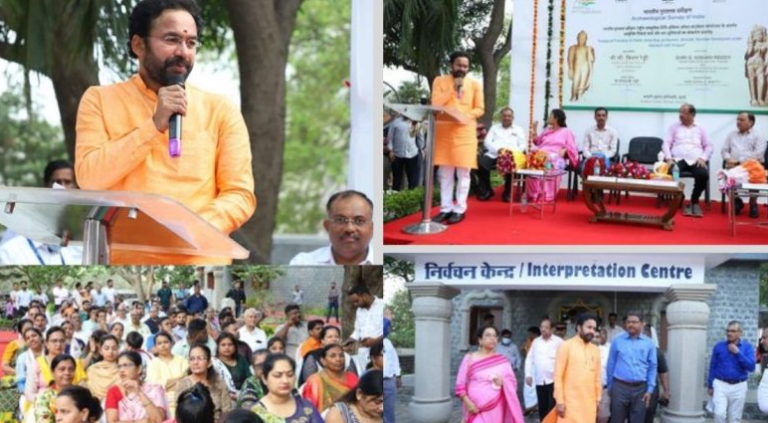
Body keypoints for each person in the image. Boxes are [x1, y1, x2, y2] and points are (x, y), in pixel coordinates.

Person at [74, 0, 256, 265]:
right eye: (172, 39)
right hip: (125, 257)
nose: (182, 51)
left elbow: (240, 194)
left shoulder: (220, 109)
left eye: (191, 43)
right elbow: (90, 178)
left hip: (198, 256)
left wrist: (191, 228)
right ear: (138, 45)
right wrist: (153, 125)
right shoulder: (99, 100)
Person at [429, 51, 485, 225]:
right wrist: (453, 88)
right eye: (459, 65)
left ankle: (460, 209)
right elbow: (436, 103)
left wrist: (464, 115)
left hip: (465, 132)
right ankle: (445, 209)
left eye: (465, 66)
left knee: (463, 173)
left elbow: (480, 108)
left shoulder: (475, 84)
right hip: (445, 132)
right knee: (445, 174)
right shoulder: (439, 81)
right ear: (451, 65)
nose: (462, 69)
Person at [0, 160, 83, 265]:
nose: (62, 188)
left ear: (76, 187)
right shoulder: (22, 222)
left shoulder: (83, 225)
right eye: (57, 182)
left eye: (67, 182)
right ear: (46, 186)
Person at [455, 326, 524, 423]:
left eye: (495, 336)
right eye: (488, 335)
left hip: (495, 408)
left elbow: (512, 382)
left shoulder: (503, 361)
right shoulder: (469, 358)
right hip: (473, 408)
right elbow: (459, 385)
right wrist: (468, 403)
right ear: (480, 340)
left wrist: (503, 382)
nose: (492, 338)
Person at [289, 190, 374, 265]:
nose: (349, 229)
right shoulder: (303, 263)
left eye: (359, 221)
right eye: (340, 220)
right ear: (327, 226)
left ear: (372, 228)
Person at [663, 103, 713, 217]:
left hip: (696, 160)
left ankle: (694, 200)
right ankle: (680, 194)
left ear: (692, 114)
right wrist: (669, 158)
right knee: (672, 172)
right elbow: (666, 143)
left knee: (703, 175)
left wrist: (703, 158)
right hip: (678, 159)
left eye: (683, 113)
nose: (680, 115)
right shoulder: (674, 127)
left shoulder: (701, 128)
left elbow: (709, 146)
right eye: (679, 112)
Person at [606, 311, 657, 423]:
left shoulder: (649, 343)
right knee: (616, 420)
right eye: (628, 322)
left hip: (641, 389)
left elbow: (652, 367)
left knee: (637, 420)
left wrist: (650, 389)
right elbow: (611, 363)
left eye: (634, 322)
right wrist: (611, 386)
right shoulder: (617, 340)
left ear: (642, 324)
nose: (630, 324)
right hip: (620, 386)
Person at [551, 314, 601, 423]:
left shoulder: (595, 350)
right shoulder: (566, 346)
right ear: (578, 327)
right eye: (589, 327)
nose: (592, 331)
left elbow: (597, 377)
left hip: (589, 404)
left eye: (594, 328)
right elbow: (558, 376)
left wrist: (598, 399)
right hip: (570, 404)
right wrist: (560, 401)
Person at [251, 354, 324, 423]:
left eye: (290, 375)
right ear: (264, 379)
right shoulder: (256, 413)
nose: (285, 380)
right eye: (278, 376)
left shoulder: (307, 406)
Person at [707, 321, 755, 423]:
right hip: (720, 384)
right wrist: (710, 385)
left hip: (739, 386)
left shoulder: (747, 347)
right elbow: (713, 366)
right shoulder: (718, 346)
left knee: (734, 418)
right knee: (719, 414)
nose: (729, 333)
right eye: (728, 331)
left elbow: (751, 367)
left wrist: (737, 352)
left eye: (733, 331)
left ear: (740, 333)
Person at [721, 111, 767, 218]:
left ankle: (753, 203)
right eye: (737, 119)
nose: (738, 122)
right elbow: (724, 150)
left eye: (741, 120)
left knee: (756, 175)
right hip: (733, 167)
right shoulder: (731, 135)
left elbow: (758, 154)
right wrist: (728, 159)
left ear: (751, 122)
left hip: (751, 167)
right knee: (723, 176)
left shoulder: (759, 136)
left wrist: (738, 162)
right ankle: (737, 201)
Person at [24, 327, 86, 403]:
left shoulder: (74, 362)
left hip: (71, 404)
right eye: (54, 341)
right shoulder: (37, 363)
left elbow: (83, 389)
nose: (58, 344)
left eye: (62, 341)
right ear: (46, 343)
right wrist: (48, 401)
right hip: (43, 404)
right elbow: (29, 393)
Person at [477, 107, 527, 202]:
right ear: (501, 117)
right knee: (482, 163)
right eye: (504, 116)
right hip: (495, 154)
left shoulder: (518, 129)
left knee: (510, 165)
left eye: (509, 116)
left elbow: (522, 145)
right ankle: (487, 190)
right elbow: (487, 141)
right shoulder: (494, 127)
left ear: (512, 117)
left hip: (511, 156)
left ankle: (507, 193)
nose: (506, 118)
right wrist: (497, 150)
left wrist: (512, 153)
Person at [528, 109, 579, 202]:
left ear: (556, 118)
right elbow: (537, 142)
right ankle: (534, 195)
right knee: (532, 159)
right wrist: (534, 129)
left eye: (550, 115)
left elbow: (573, 148)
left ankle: (546, 195)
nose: (548, 118)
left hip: (555, 158)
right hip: (540, 155)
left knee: (549, 160)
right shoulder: (547, 130)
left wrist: (565, 149)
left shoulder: (566, 131)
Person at [105, 351, 168, 423]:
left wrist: (139, 392)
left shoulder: (154, 389)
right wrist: (144, 421)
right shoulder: (114, 391)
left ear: (139, 369)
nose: (121, 370)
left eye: (126, 365)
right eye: (119, 366)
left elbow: (158, 420)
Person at [175, 345, 232, 422]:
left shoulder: (219, 383)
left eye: (200, 358)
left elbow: (227, 411)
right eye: (192, 359)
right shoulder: (182, 385)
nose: (195, 362)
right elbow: (179, 414)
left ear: (209, 363)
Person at [302, 344, 359, 414]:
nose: (338, 359)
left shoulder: (353, 377)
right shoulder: (315, 380)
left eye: (341, 355)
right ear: (323, 361)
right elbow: (309, 409)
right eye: (333, 356)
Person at [525, 319, 564, 421]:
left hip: (553, 381)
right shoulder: (536, 342)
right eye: (541, 327)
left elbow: (566, 358)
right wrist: (528, 374)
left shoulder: (559, 342)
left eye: (546, 327)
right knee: (542, 409)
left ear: (552, 329)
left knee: (551, 409)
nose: (543, 329)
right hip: (539, 381)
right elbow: (529, 358)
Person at [146, 331, 188, 417]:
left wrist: (166, 384)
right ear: (155, 347)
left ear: (171, 343)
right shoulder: (152, 364)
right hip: (162, 404)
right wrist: (179, 379)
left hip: (183, 401)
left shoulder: (182, 360)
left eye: (166, 342)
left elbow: (187, 381)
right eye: (159, 343)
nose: (163, 345)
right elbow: (155, 387)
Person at [346, 285, 384, 375]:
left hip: (380, 354)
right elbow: (357, 331)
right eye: (353, 303)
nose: (355, 304)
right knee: (364, 378)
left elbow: (389, 331)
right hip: (363, 353)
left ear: (364, 295)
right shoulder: (359, 311)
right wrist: (350, 341)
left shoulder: (382, 305)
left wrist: (376, 341)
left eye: (356, 301)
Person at [33, 354, 78, 423]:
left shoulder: (81, 394)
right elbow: (43, 420)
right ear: (53, 372)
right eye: (62, 369)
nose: (67, 373)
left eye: (71, 369)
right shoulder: (44, 397)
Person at [387, 113, 424, 191]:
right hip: (397, 154)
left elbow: (420, 138)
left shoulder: (416, 122)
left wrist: (422, 149)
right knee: (397, 179)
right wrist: (390, 150)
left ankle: (412, 198)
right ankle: (395, 196)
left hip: (413, 154)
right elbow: (390, 138)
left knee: (413, 180)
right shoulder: (396, 122)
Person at [643, 324, 670, 423]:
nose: (643, 335)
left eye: (646, 332)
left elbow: (663, 373)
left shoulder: (657, 352)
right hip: (634, 390)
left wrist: (666, 391)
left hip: (651, 391)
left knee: (648, 417)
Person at [580, 107, 619, 172]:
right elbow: (585, 149)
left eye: (603, 115)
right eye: (598, 115)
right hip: (591, 158)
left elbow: (613, 150)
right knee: (582, 168)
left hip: (606, 159)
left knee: (609, 170)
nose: (601, 117)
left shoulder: (613, 132)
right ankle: (587, 182)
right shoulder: (589, 131)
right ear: (595, 117)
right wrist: (592, 157)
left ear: (606, 117)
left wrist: (602, 157)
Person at [86, 335, 121, 401]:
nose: (110, 351)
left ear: (118, 350)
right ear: (100, 351)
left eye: (114, 348)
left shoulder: (122, 370)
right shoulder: (92, 370)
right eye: (106, 348)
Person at [567, 30, 596, 101]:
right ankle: (573, 96)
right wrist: (570, 69)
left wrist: (589, 51)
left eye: (584, 38)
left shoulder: (589, 48)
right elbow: (570, 59)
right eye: (580, 37)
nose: (582, 39)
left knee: (583, 82)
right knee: (576, 82)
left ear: (586, 39)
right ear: (577, 38)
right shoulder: (573, 48)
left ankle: (580, 96)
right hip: (577, 67)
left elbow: (592, 59)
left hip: (585, 68)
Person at [593, 328, 611, 423]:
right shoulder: (585, 349)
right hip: (588, 390)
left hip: (604, 389)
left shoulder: (610, 349)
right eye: (595, 337)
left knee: (603, 417)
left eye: (598, 336)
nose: (597, 339)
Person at [379, 339, 399, 423]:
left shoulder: (387, 342)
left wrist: (398, 375)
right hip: (376, 380)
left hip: (389, 380)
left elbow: (394, 359)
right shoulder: (368, 341)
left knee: (389, 411)